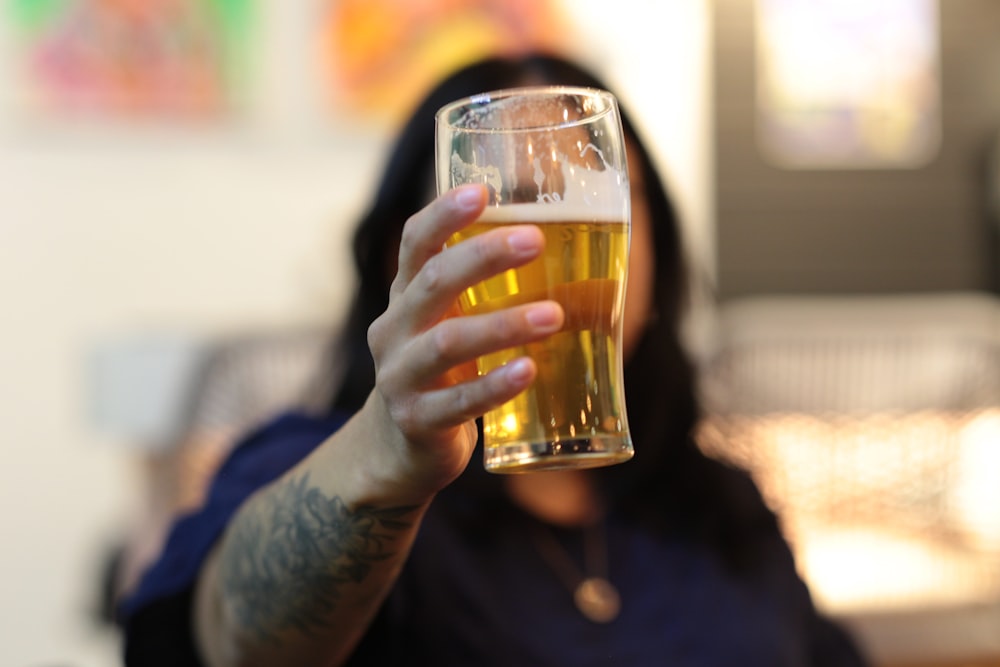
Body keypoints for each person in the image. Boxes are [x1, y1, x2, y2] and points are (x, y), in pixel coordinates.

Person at [119, 54, 869, 666]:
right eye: (510, 191)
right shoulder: (327, 465)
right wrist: (387, 453)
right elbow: (230, 636)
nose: (547, 224)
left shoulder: (715, 501)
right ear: (412, 253)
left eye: (598, 183)